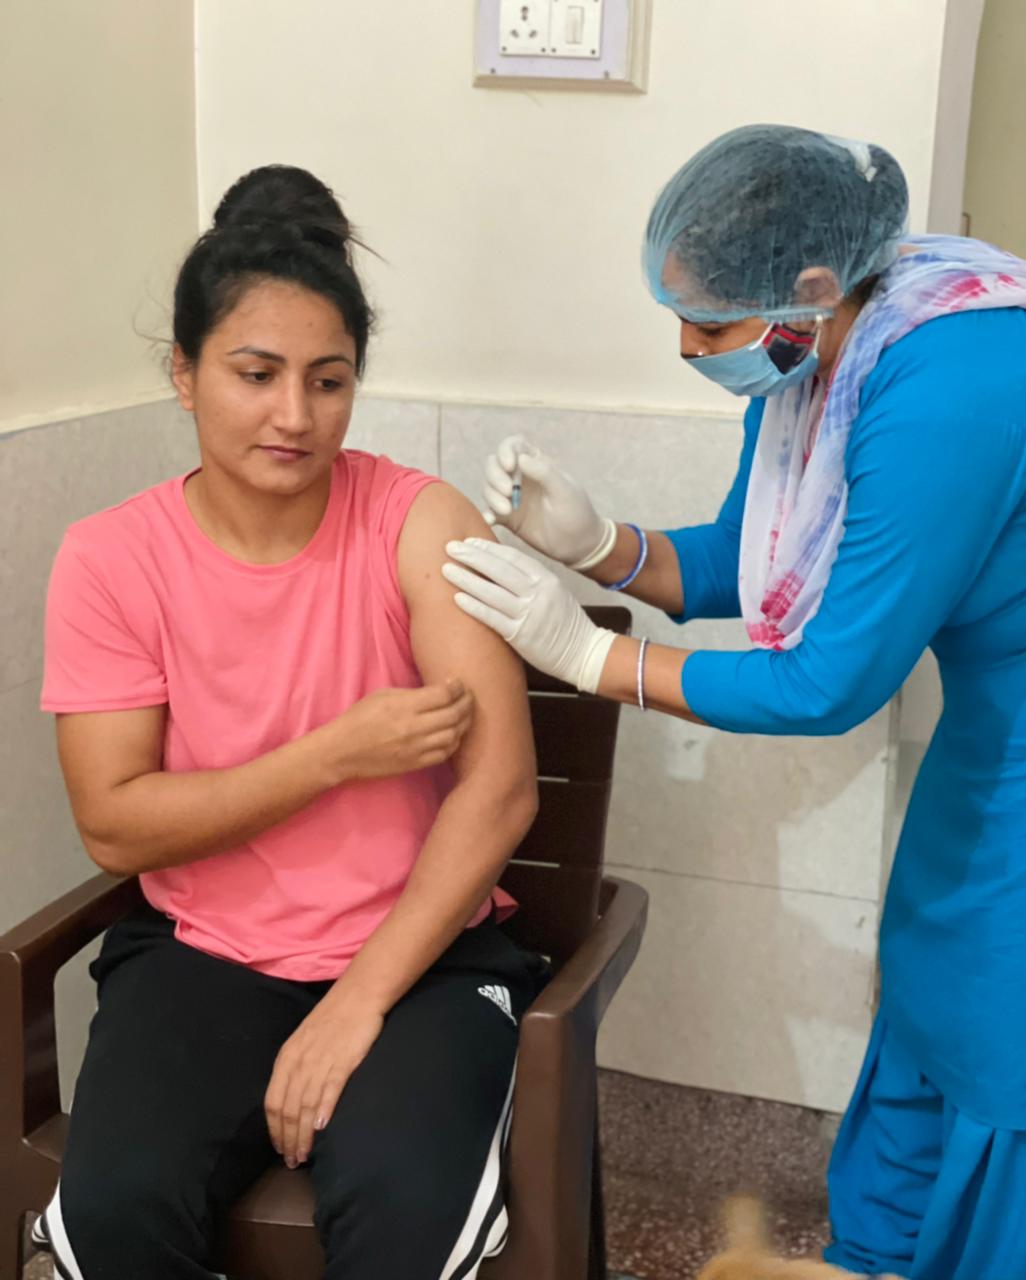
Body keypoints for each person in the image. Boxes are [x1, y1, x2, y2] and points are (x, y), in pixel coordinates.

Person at [443, 125, 1026, 1280]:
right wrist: (606, 547)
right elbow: (753, 559)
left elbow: (827, 681)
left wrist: (596, 659)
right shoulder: (819, 350)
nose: (686, 347)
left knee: (997, 1033)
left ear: (806, 285)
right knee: (929, 984)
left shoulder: (956, 380)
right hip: (989, 734)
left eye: (707, 326)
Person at [36, 164, 546, 1280]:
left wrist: (355, 1002)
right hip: (202, 953)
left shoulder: (418, 522)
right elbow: (114, 825)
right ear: (183, 372)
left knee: (406, 1222)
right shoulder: (110, 559)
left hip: (419, 954)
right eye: (256, 374)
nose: (295, 416)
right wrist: (332, 756)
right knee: (116, 1213)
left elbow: (501, 786)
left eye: (330, 380)